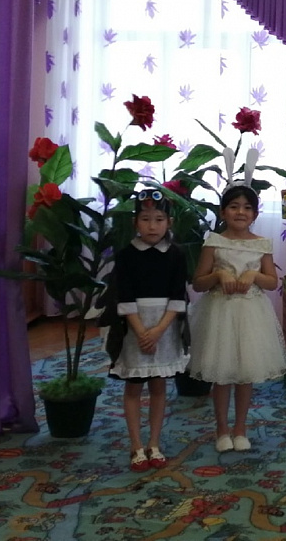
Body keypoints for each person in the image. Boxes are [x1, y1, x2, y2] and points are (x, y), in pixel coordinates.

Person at [190, 148, 286, 453]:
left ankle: (241, 428)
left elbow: (272, 282)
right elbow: (198, 282)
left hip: (251, 314)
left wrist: (254, 276)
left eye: (247, 207)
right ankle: (222, 429)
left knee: (245, 374)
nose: (240, 212)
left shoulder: (261, 244)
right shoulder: (214, 241)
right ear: (223, 212)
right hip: (220, 312)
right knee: (221, 374)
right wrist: (219, 275)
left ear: (255, 214)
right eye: (234, 206)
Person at [105, 189, 190, 472]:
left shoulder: (176, 254)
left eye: (159, 219)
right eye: (145, 219)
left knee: (158, 385)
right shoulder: (126, 256)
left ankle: (154, 443)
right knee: (133, 386)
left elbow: (178, 296)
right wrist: (142, 331)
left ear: (169, 222)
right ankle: (136, 445)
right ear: (135, 223)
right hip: (134, 326)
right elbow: (124, 296)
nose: (152, 226)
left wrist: (158, 331)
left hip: (164, 327)